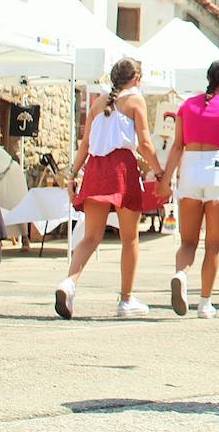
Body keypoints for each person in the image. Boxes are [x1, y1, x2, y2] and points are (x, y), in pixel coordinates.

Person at [55, 58, 163, 320]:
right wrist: (160, 172)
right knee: (130, 238)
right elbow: (145, 144)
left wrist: (72, 175)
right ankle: (126, 300)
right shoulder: (135, 101)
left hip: (95, 168)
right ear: (136, 79)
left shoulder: (97, 103)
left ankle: (69, 283)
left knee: (90, 237)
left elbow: (84, 144)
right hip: (121, 169)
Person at [156, 61, 219, 319]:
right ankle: (205, 303)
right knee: (213, 244)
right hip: (218, 168)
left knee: (188, 242)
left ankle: (180, 274)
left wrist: (164, 182)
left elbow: (176, 147)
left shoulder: (187, 106)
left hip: (191, 167)